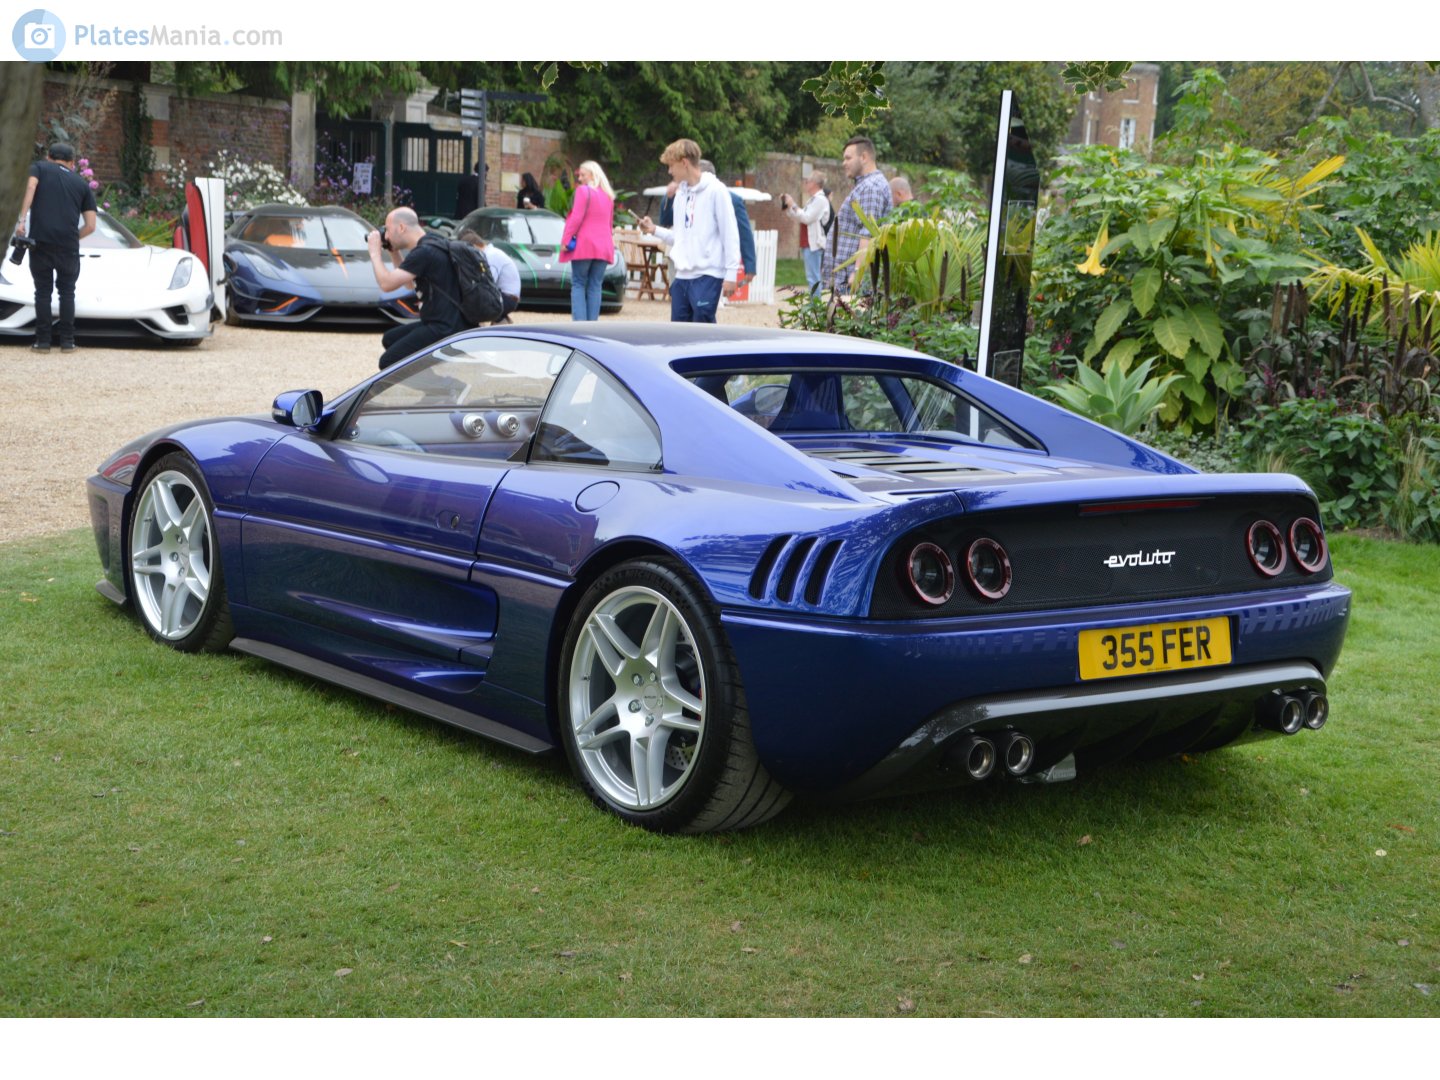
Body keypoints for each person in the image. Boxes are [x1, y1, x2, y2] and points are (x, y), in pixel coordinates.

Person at [639, 139, 739, 323]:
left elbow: (730, 234)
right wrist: (654, 230)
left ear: (684, 162)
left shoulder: (717, 191)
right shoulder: (680, 195)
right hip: (681, 278)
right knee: (679, 337)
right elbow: (679, 237)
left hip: (708, 276)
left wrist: (732, 274)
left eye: (671, 165)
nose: (669, 171)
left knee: (703, 335)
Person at [14, 142, 97, 352]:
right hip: (68, 245)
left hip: (40, 241)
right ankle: (68, 342)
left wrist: (21, 220)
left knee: (43, 292)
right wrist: (72, 238)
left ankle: (42, 342)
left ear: (49, 157)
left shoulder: (40, 168)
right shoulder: (81, 184)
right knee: (67, 292)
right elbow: (91, 226)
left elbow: (31, 187)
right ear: (72, 163)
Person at [366, 206, 469, 370]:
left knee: (388, 361)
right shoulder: (432, 241)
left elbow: (387, 285)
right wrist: (393, 251)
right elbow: (408, 283)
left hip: (444, 327)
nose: (386, 235)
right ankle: (431, 380)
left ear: (401, 228)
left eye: (388, 230)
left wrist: (374, 253)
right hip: (447, 321)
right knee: (390, 339)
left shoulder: (424, 252)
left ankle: (448, 386)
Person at [820, 136, 893, 295]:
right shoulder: (866, 185)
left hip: (850, 283)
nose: (843, 163)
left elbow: (868, 233)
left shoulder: (871, 187)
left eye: (848, 158)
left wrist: (858, 272)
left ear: (864, 157)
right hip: (844, 279)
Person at [559, 160, 616, 321]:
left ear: (593, 175)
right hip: (604, 246)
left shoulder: (583, 191)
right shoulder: (609, 196)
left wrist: (566, 239)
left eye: (583, 175)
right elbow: (609, 224)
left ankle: (579, 326)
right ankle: (592, 325)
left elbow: (576, 218)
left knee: (578, 283)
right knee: (595, 286)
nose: (580, 178)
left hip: (585, 245)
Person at [780, 170, 831, 294]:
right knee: (812, 278)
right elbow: (800, 216)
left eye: (807, 181)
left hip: (813, 244)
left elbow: (806, 218)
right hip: (807, 243)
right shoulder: (813, 200)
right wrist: (789, 206)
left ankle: (816, 310)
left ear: (814, 183)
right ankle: (815, 308)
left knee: (813, 278)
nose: (805, 183)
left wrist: (793, 205)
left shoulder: (820, 200)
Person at [457, 227, 522, 322]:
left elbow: (488, 283)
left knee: (470, 305)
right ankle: (499, 320)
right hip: (506, 296)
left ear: (473, 247)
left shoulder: (490, 256)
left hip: (507, 299)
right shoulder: (491, 253)